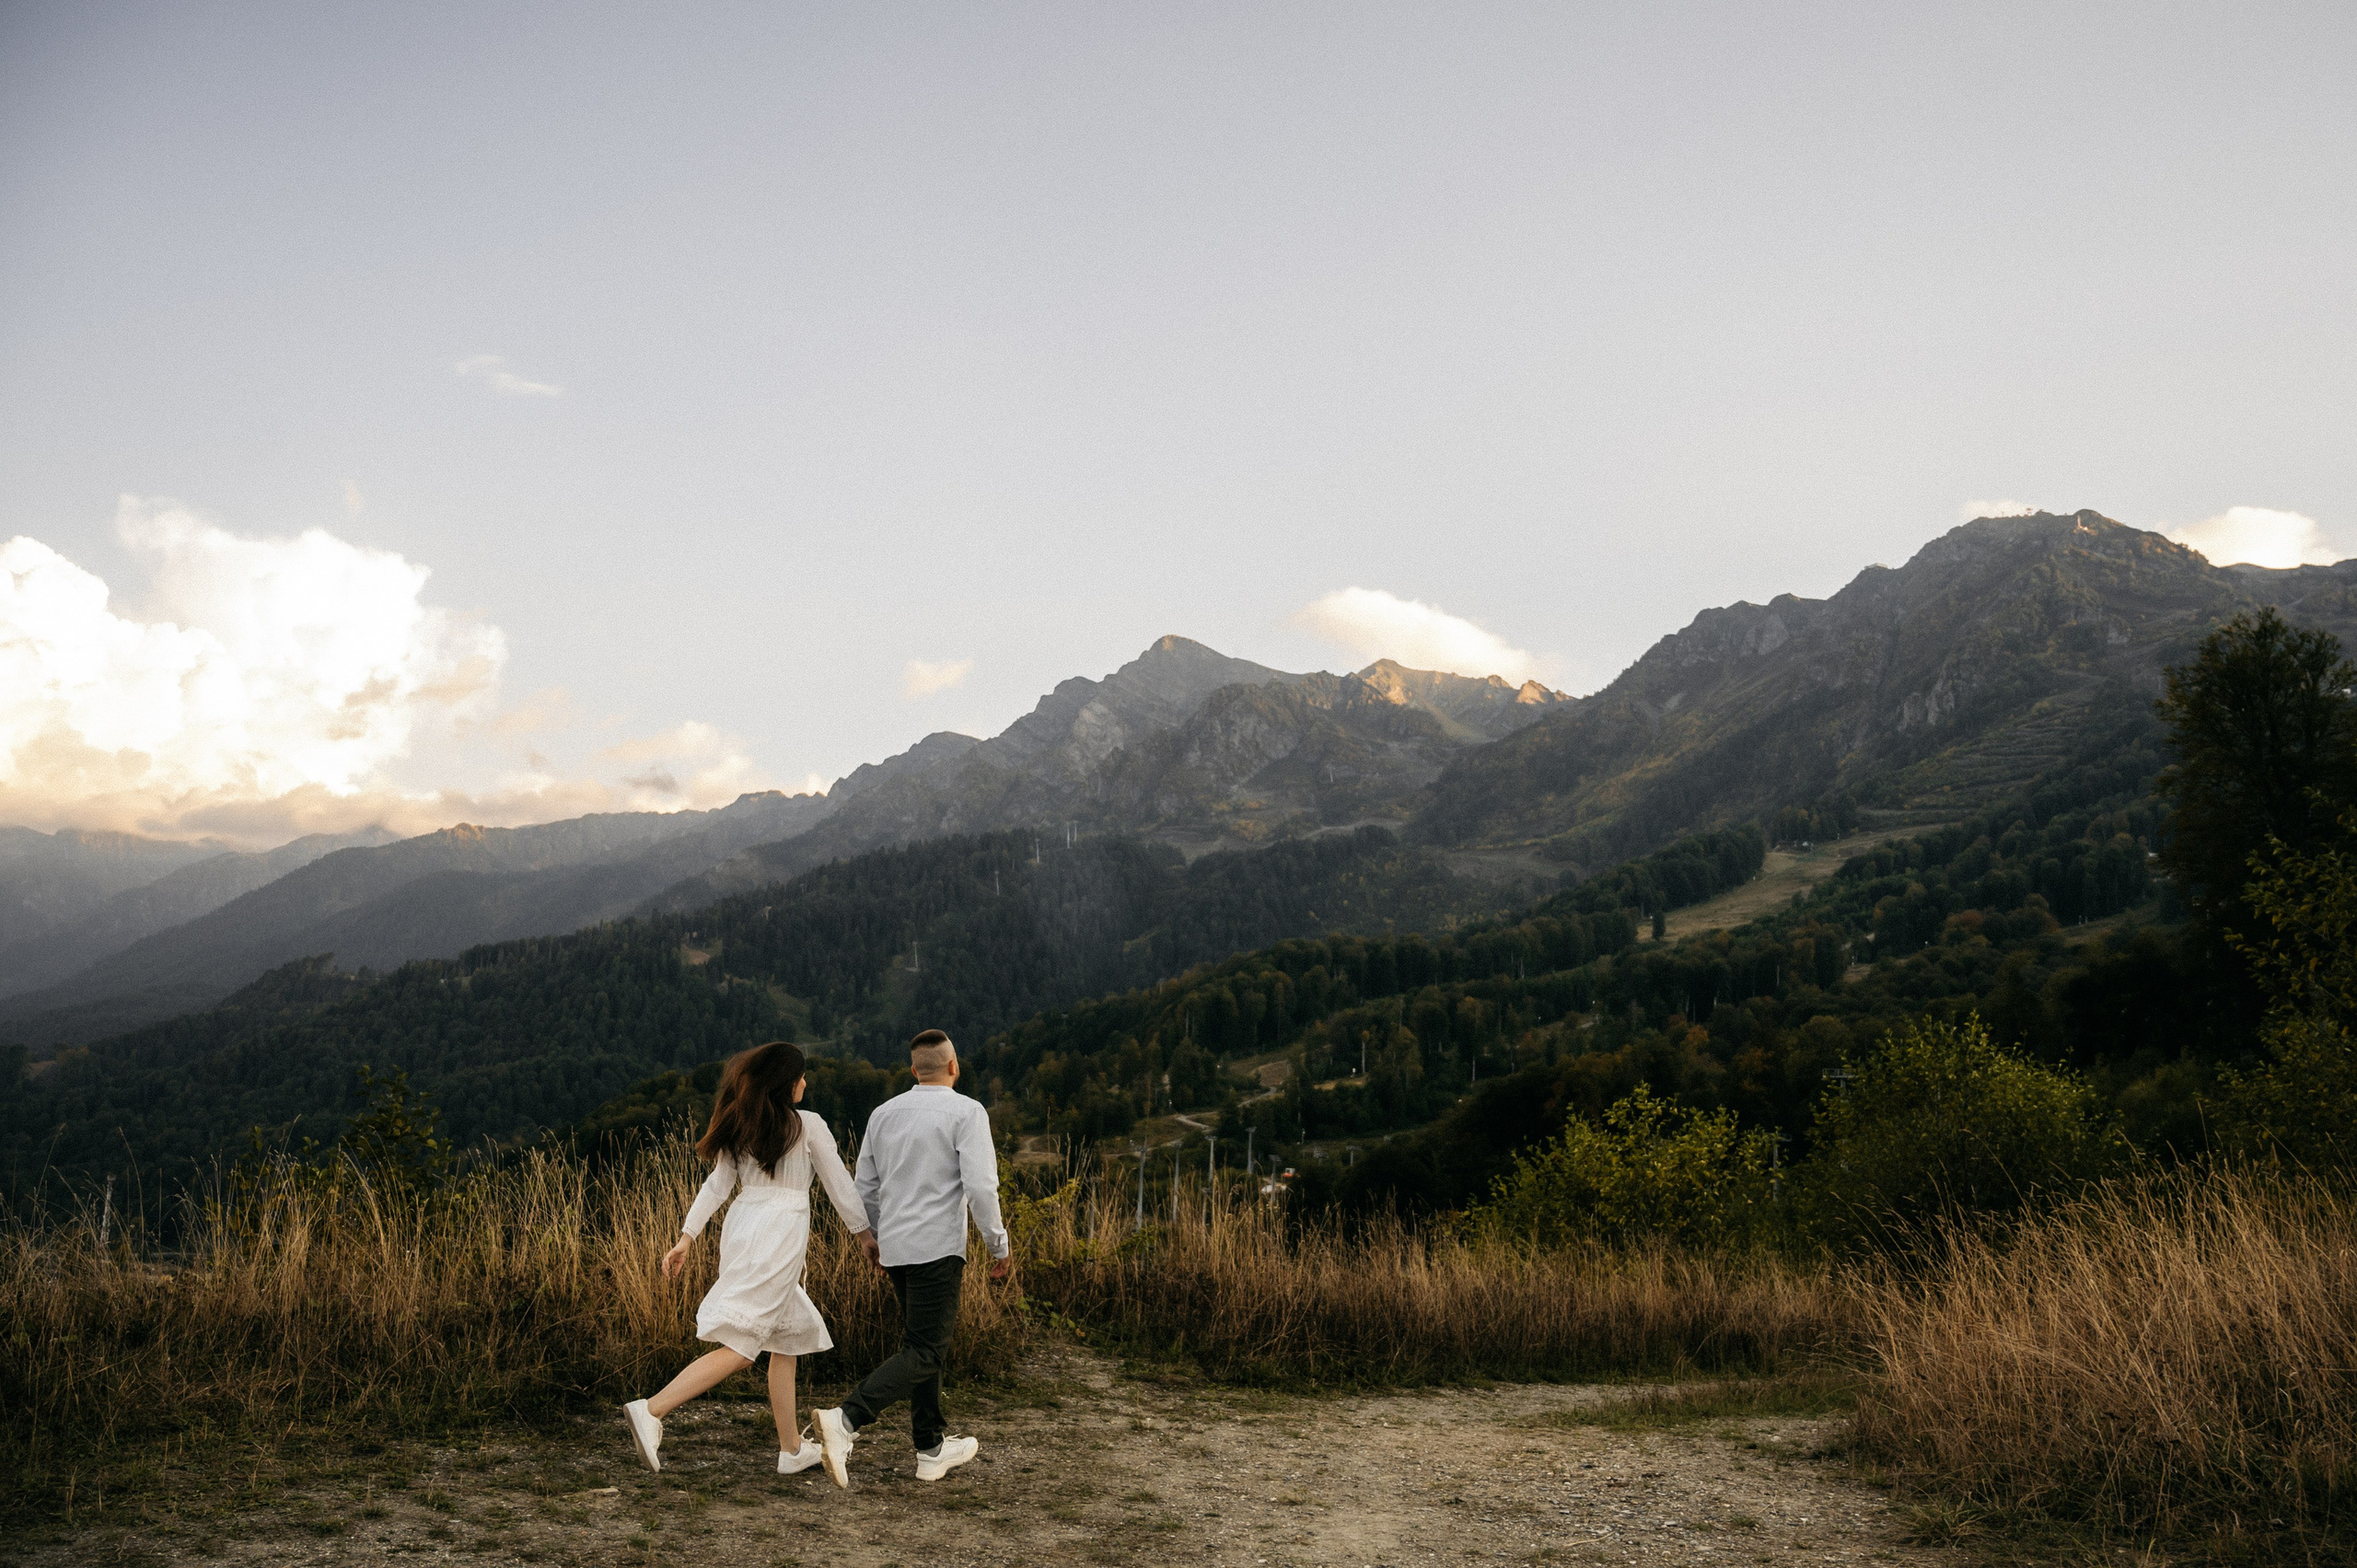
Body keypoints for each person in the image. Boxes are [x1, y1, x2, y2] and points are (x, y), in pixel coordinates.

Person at [622, 1040, 878, 1475]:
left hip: (743, 1228)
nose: (804, 1082)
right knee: (744, 1344)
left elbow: (717, 1186)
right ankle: (651, 1410)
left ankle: (791, 1449)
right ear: (786, 1083)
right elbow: (840, 1186)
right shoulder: (810, 1125)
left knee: (787, 1338)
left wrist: (687, 1236)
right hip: (779, 1235)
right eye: (800, 1076)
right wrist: (865, 1236)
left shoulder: (743, 1123)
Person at [812, 1028, 1011, 1488]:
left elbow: (865, 1186)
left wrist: (872, 1237)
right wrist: (997, 1245)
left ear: (913, 1071)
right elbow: (981, 1187)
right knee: (926, 1349)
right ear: (954, 1067)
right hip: (937, 1248)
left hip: (897, 1248)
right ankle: (845, 1419)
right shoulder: (968, 1111)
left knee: (922, 1345)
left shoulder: (883, 1114)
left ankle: (930, 1448)